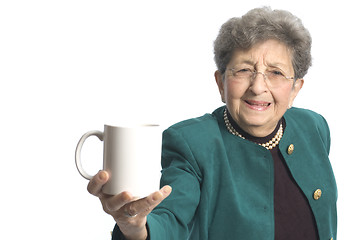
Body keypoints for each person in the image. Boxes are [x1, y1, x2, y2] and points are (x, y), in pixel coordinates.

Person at [87, 7, 337, 240]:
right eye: (243, 70)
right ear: (221, 83)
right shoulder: (192, 143)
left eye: (276, 72)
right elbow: (172, 217)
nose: (258, 87)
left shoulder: (313, 127)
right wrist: (136, 227)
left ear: (295, 89)